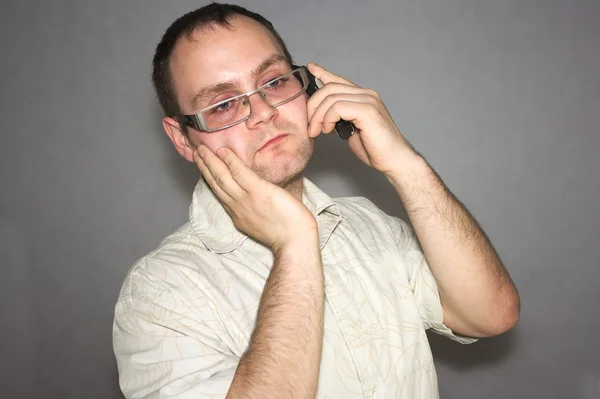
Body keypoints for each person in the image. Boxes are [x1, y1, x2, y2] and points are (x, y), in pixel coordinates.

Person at [112, 3, 520, 398]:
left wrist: (404, 164)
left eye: (274, 82)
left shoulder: (368, 224)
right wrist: (295, 244)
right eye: (222, 105)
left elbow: (491, 315)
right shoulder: (157, 293)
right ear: (182, 138)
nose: (263, 111)